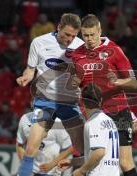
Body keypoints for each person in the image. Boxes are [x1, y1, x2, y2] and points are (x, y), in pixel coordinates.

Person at [69, 14, 137, 176]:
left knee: (124, 162)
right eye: (85, 35)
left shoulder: (114, 51)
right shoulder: (76, 54)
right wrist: (74, 81)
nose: (89, 39)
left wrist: (118, 81)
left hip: (116, 109)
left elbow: (134, 82)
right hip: (91, 113)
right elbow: (78, 81)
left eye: (92, 35)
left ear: (100, 30)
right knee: (85, 157)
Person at [16, 13, 84, 176]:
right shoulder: (39, 43)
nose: (69, 39)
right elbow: (31, 69)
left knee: (82, 150)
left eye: (73, 36)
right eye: (67, 34)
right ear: (58, 27)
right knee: (31, 148)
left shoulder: (81, 46)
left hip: (70, 102)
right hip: (44, 100)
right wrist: (26, 76)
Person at [58, 83, 120, 176]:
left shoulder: (93, 122)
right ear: (101, 101)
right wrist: (72, 162)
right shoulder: (109, 121)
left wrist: (81, 171)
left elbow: (99, 153)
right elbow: (97, 156)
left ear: (82, 101)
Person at [16, 112, 73, 176]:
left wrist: (52, 164)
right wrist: (27, 166)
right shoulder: (25, 119)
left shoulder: (58, 122)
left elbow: (70, 148)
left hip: (51, 171)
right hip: (31, 170)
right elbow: (19, 145)